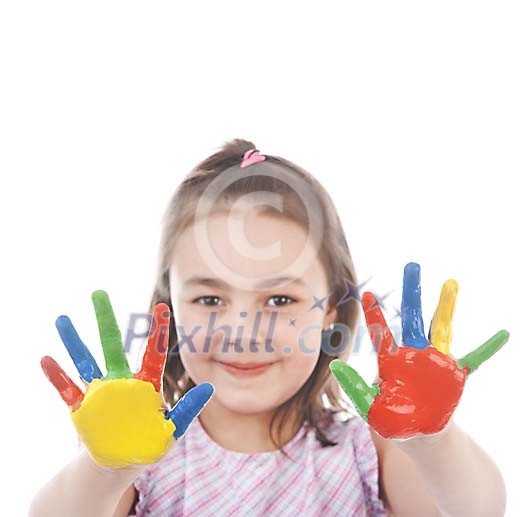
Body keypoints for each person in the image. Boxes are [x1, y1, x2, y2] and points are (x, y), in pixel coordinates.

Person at [30, 139, 506, 516]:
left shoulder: (371, 450)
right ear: (168, 316)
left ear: (331, 315)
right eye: (210, 298)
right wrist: (105, 470)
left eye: (280, 299)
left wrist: (429, 436)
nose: (243, 329)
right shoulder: (137, 449)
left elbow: (477, 509)